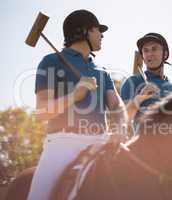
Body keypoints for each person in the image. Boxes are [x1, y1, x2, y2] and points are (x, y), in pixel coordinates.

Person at [27, 9, 128, 200]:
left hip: (101, 142)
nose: (102, 35)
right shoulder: (51, 62)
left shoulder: (102, 71)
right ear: (83, 32)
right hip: (62, 144)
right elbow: (41, 112)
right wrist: (75, 95)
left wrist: (121, 127)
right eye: (98, 30)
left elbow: (117, 106)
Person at [120, 33, 172, 129]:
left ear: (165, 54)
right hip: (144, 141)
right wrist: (140, 97)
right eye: (146, 50)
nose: (149, 54)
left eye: (154, 49)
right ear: (143, 57)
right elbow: (122, 119)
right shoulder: (132, 82)